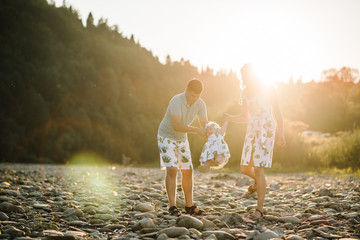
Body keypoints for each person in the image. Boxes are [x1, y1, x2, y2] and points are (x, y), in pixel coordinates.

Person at [225, 63, 286, 221]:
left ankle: (259, 210)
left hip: (266, 129)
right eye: (243, 75)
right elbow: (245, 117)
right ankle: (258, 184)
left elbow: (277, 111)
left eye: (247, 74)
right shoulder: (245, 92)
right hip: (252, 130)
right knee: (245, 168)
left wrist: (282, 133)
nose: (245, 78)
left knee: (259, 169)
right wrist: (230, 118)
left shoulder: (269, 87)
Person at [157, 79, 208, 216]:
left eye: (197, 96)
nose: (194, 99)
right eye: (192, 95)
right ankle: (172, 206)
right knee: (172, 170)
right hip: (166, 136)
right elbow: (177, 126)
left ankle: (189, 206)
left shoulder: (200, 104)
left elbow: (204, 124)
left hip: (181, 139)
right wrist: (198, 131)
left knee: (188, 171)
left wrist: (212, 134)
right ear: (186, 90)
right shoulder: (176, 100)